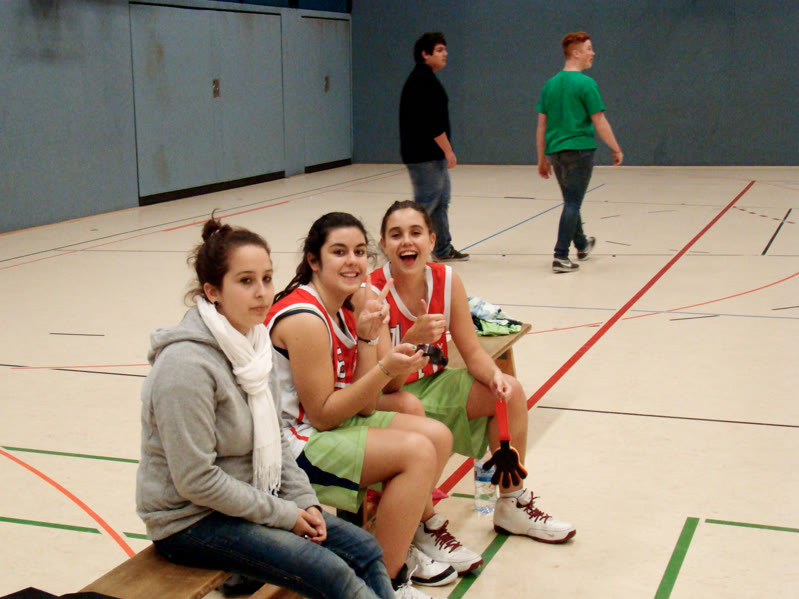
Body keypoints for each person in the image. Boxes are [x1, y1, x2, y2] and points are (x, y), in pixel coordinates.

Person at [135, 217, 395, 599]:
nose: (261, 293)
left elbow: (277, 441)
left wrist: (305, 502)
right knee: (332, 572)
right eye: (246, 281)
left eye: (267, 279)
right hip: (190, 521)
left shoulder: (256, 346)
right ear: (212, 291)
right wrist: (286, 515)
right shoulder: (185, 367)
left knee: (366, 551)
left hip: (249, 500)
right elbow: (197, 481)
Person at [265, 212, 481, 597]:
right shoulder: (306, 318)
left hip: (320, 426)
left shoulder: (346, 304)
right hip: (288, 446)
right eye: (339, 252)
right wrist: (384, 367)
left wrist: (368, 339)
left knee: (437, 436)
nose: (352, 261)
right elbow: (324, 415)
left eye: (359, 251)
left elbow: (363, 407)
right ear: (314, 260)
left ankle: (398, 540)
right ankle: (385, 581)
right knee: (416, 453)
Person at [367, 200, 577, 554]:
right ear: (384, 244)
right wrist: (412, 340)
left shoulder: (446, 280)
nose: (407, 241)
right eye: (396, 235)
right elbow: (387, 383)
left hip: (435, 383)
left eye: (416, 232)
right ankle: (420, 524)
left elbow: (472, 351)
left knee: (510, 391)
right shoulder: (373, 293)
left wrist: (494, 375)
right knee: (409, 408)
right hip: (392, 395)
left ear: (432, 239)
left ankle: (512, 502)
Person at [536, 31, 624, 273]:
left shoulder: (550, 85)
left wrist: (541, 158)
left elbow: (542, 126)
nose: (593, 53)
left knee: (570, 201)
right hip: (579, 151)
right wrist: (615, 148)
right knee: (573, 203)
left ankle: (582, 244)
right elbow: (599, 120)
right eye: (589, 49)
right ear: (576, 53)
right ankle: (560, 256)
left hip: (556, 153)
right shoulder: (586, 84)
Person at [399, 31, 469, 263]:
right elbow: (432, 124)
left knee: (441, 201)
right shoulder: (422, 82)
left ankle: (443, 247)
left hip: (431, 154)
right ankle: (397, 247)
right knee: (426, 204)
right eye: (439, 50)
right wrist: (448, 151)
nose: (445, 53)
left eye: (444, 49)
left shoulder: (427, 79)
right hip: (423, 154)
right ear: (425, 54)